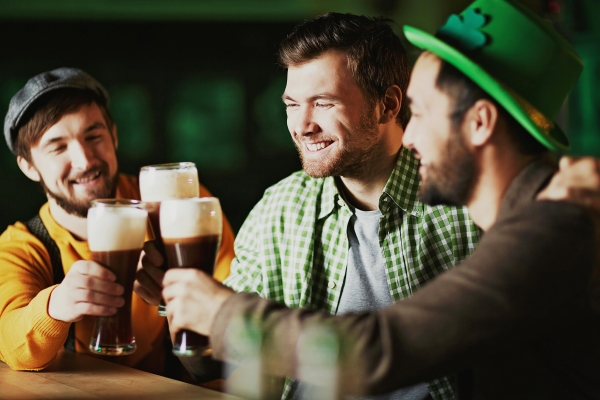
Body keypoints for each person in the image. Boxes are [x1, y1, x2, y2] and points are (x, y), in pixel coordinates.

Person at [162, 0, 600, 399]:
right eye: (292, 104)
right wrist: (188, 315)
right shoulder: (548, 213)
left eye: (422, 112)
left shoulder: (545, 232)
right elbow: (223, 367)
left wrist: (223, 312)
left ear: (480, 123)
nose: (409, 135)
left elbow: (376, 351)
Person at [139, 12, 480, 400]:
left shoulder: (465, 206)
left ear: (387, 105)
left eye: (323, 102)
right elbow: (218, 365)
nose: (301, 125)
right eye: (291, 104)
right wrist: (179, 305)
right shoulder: (281, 207)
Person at [0, 67, 236, 378]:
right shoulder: (23, 245)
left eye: (93, 136)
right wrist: (55, 305)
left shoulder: (177, 203)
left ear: (114, 135)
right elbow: (11, 344)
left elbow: (238, 311)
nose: (84, 160)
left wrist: (186, 299)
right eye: (58, 147)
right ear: (29, 166)